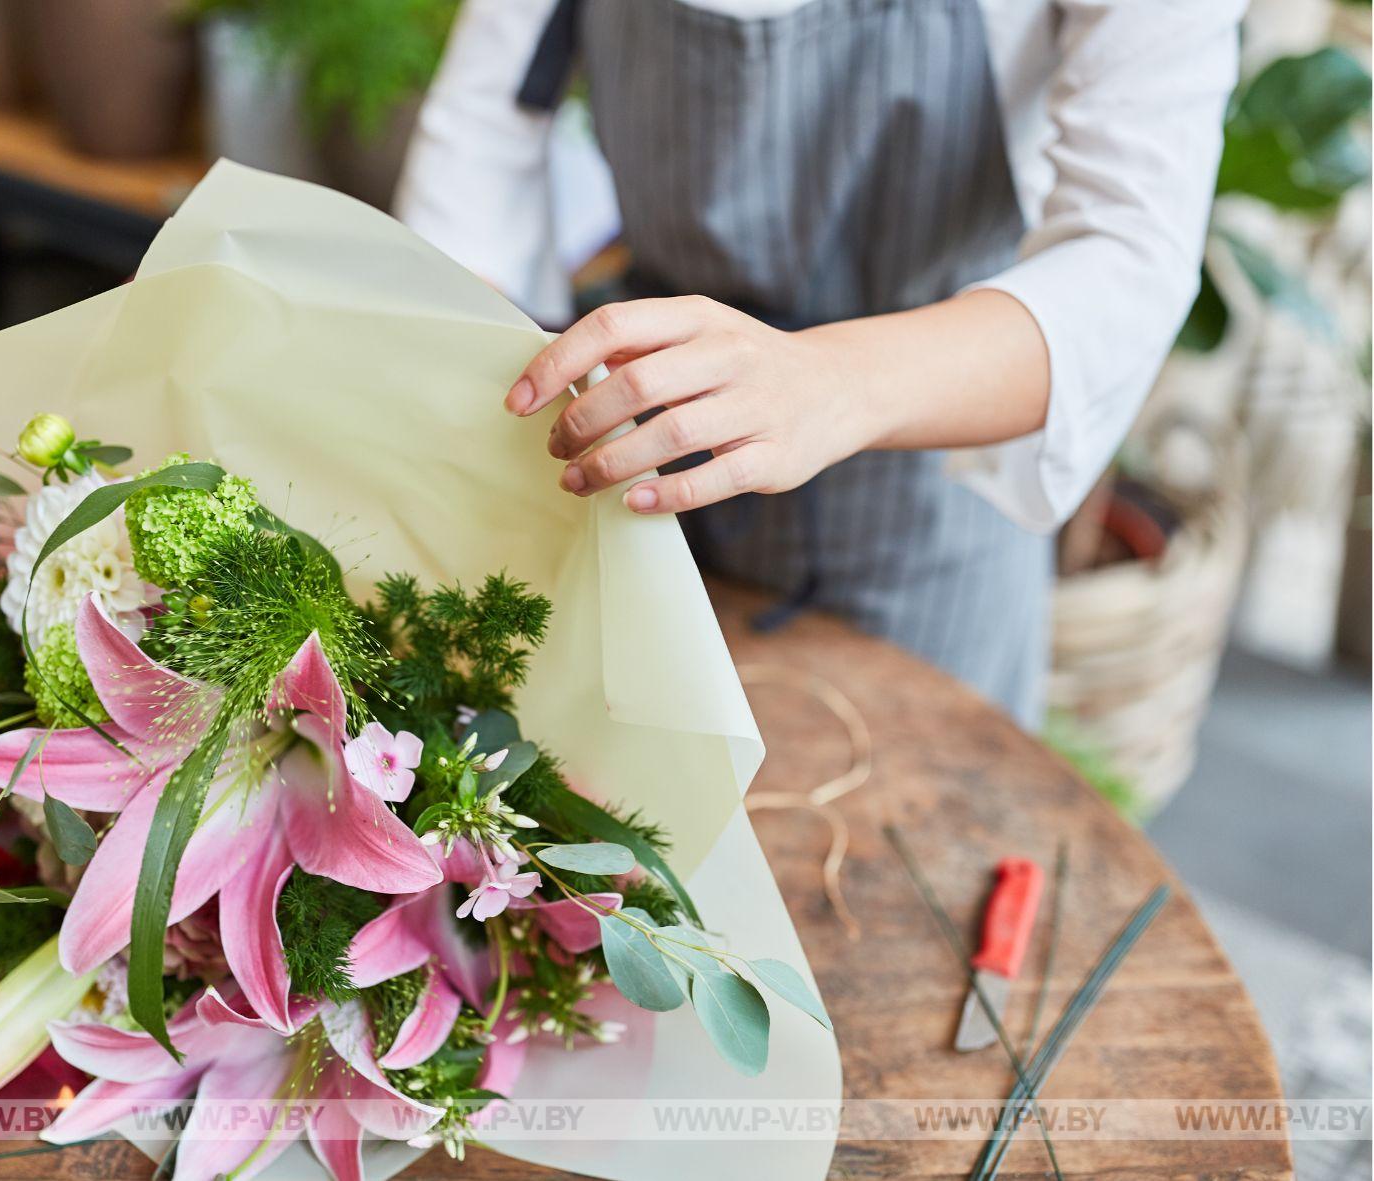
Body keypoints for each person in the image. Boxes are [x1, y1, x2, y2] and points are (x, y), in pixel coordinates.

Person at [394, 0, 1243, 726]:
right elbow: (480, 148)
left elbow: (1129, 251)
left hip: (925, 511)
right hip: (635, 485)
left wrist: (826, 380)